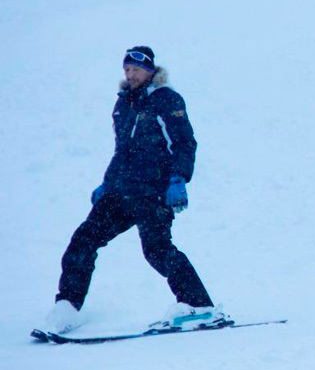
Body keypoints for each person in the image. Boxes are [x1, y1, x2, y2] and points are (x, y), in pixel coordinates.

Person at [40, 47, 224, 334]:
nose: (131, 74)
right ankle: (67, 308)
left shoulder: (166, 100)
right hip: (120, 192)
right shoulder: (124, 103)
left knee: (157, 250)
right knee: (83, 241)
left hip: (153, 191)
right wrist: (107, 182)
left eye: (136, 69)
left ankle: (200, 307)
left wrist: (178, 179)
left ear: (150, 70)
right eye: (127, 69)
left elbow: (184, 142)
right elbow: (122, 151)